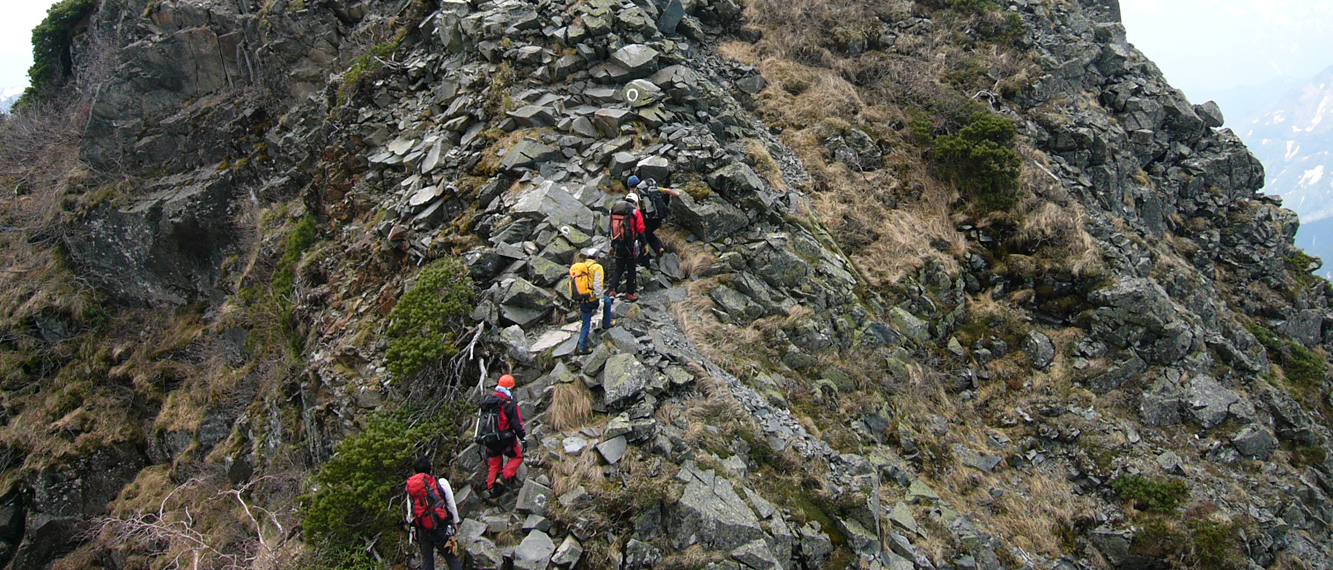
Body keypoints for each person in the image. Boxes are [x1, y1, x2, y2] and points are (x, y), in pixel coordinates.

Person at [405, 456, 462, 570]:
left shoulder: (412, 488)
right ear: (430, 469)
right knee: (451, 557)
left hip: (423, 530)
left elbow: (411, 512)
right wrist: (455, 522)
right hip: (441, 527)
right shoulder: (441, 483)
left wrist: (413, 530)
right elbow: (451, 504)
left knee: (427, 559)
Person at [480, 374, 526, 498]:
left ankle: (491, 490)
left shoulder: (488, 402)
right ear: (510, 388)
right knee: (517, 457)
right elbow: (517, 424)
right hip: (505, 439)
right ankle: (504, 478)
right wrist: (523, 438)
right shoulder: (509, 404)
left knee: (494, 464)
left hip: (489, 439)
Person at [569, 248, 612, 355]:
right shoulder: (597, 267)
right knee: (607, 301)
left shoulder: (582, 267)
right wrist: (600, 299)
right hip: (593, 298)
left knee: (585, 324)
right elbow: (598, 285)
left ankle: (582, 347)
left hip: (583, 300)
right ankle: (606, 324)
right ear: (597, 257)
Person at [630, 175, 681, 265]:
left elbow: (637, 209)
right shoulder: (651, 187)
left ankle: (642, 258)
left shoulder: (637, 193)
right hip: (659, 216)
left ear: (631, 187)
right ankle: (659, 248)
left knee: (644, 235)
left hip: (649, 218)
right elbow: (666, 191)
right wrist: (677, 193)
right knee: (648, 233)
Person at [607, 193, 645, 302]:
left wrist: (612, 245)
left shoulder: (615, 210)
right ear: (634, 202)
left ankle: (612, 290)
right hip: (630, 245)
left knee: (618, 268)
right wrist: (645, 244)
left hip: (617, 244)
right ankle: (630, 293)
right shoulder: (634, 212)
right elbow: (640, 229)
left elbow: (610, 228)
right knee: (631, 269)